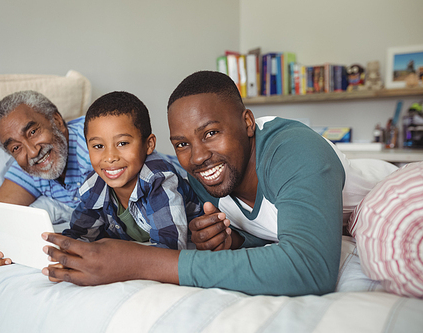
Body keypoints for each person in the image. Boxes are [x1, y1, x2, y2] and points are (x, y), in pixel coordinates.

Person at [41, 71, 349, 296]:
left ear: (247, 123)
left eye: (211, 133)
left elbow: (310, 268)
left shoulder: (295, 151)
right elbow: (273, 233)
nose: (198, 157)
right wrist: (233, 242)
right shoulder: (203, 180)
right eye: (182, 144)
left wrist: (137, 261)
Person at [0, 90, 93, 266]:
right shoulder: (28, 168)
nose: (32, 152)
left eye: (33, 132)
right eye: (16, 148)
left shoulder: (95, 141)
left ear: (56, 121)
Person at [63, 91, 202, 249]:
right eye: (98, 146)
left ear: (148, 144)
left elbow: (170, 247)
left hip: (195, 248)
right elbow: (79, 236)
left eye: (122, 143)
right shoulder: (94, 186)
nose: (110, 157)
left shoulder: (158, 179)